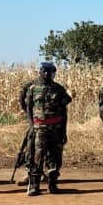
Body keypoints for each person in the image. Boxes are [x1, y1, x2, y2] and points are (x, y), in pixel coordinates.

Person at [23, 62, 72, 196]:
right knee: (37, 156)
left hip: (56, 128)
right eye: (45, 71)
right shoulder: (33, 88)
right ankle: (35, 185)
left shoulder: (59, 89)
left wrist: (64, 131)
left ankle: (52, 183)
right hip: (39, 128)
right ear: (41, 72)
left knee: (55, 156)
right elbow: (28, 108)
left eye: (51, 72)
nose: (48, 74)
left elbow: (64, 111)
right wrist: (31, 125)